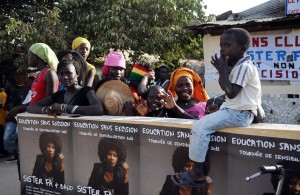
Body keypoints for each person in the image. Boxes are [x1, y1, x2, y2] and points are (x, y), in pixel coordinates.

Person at [171, 28, 261, 187]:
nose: (222, 49)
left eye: (227, 45)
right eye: (221, 45)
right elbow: (225, 88)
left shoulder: (244, 67)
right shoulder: (236, 65)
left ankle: (197, 171)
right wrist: (223, 70)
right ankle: (198, 169)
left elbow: (231, 92)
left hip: (239, 113)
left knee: (200, 127)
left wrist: (221, 70)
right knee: (205, 122)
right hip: (235, 110)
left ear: (243, 48)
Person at [4, 43, 59, 163]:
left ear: (38, 56)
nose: (28, 58)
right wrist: (21, 108)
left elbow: (51, 100)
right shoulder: (38, 75)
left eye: (30, 56)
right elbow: (35, 99)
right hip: (32, 118)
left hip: (42, 121)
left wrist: (21, 107)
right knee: (25, 158)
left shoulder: (49, 73)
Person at [27, 59, 104, 116]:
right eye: (61, 74)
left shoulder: (86, 91)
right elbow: (31, 107)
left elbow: (98, 109)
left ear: (77, 74)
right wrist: (46, 110)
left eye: (69, 73)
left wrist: (63, 107)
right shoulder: (59, 95)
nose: (65, 77)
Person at [0, 82, 8, 157]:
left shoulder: (2, 94)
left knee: (1, 135)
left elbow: (2, 105)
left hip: (1, 118)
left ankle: (3, 151)